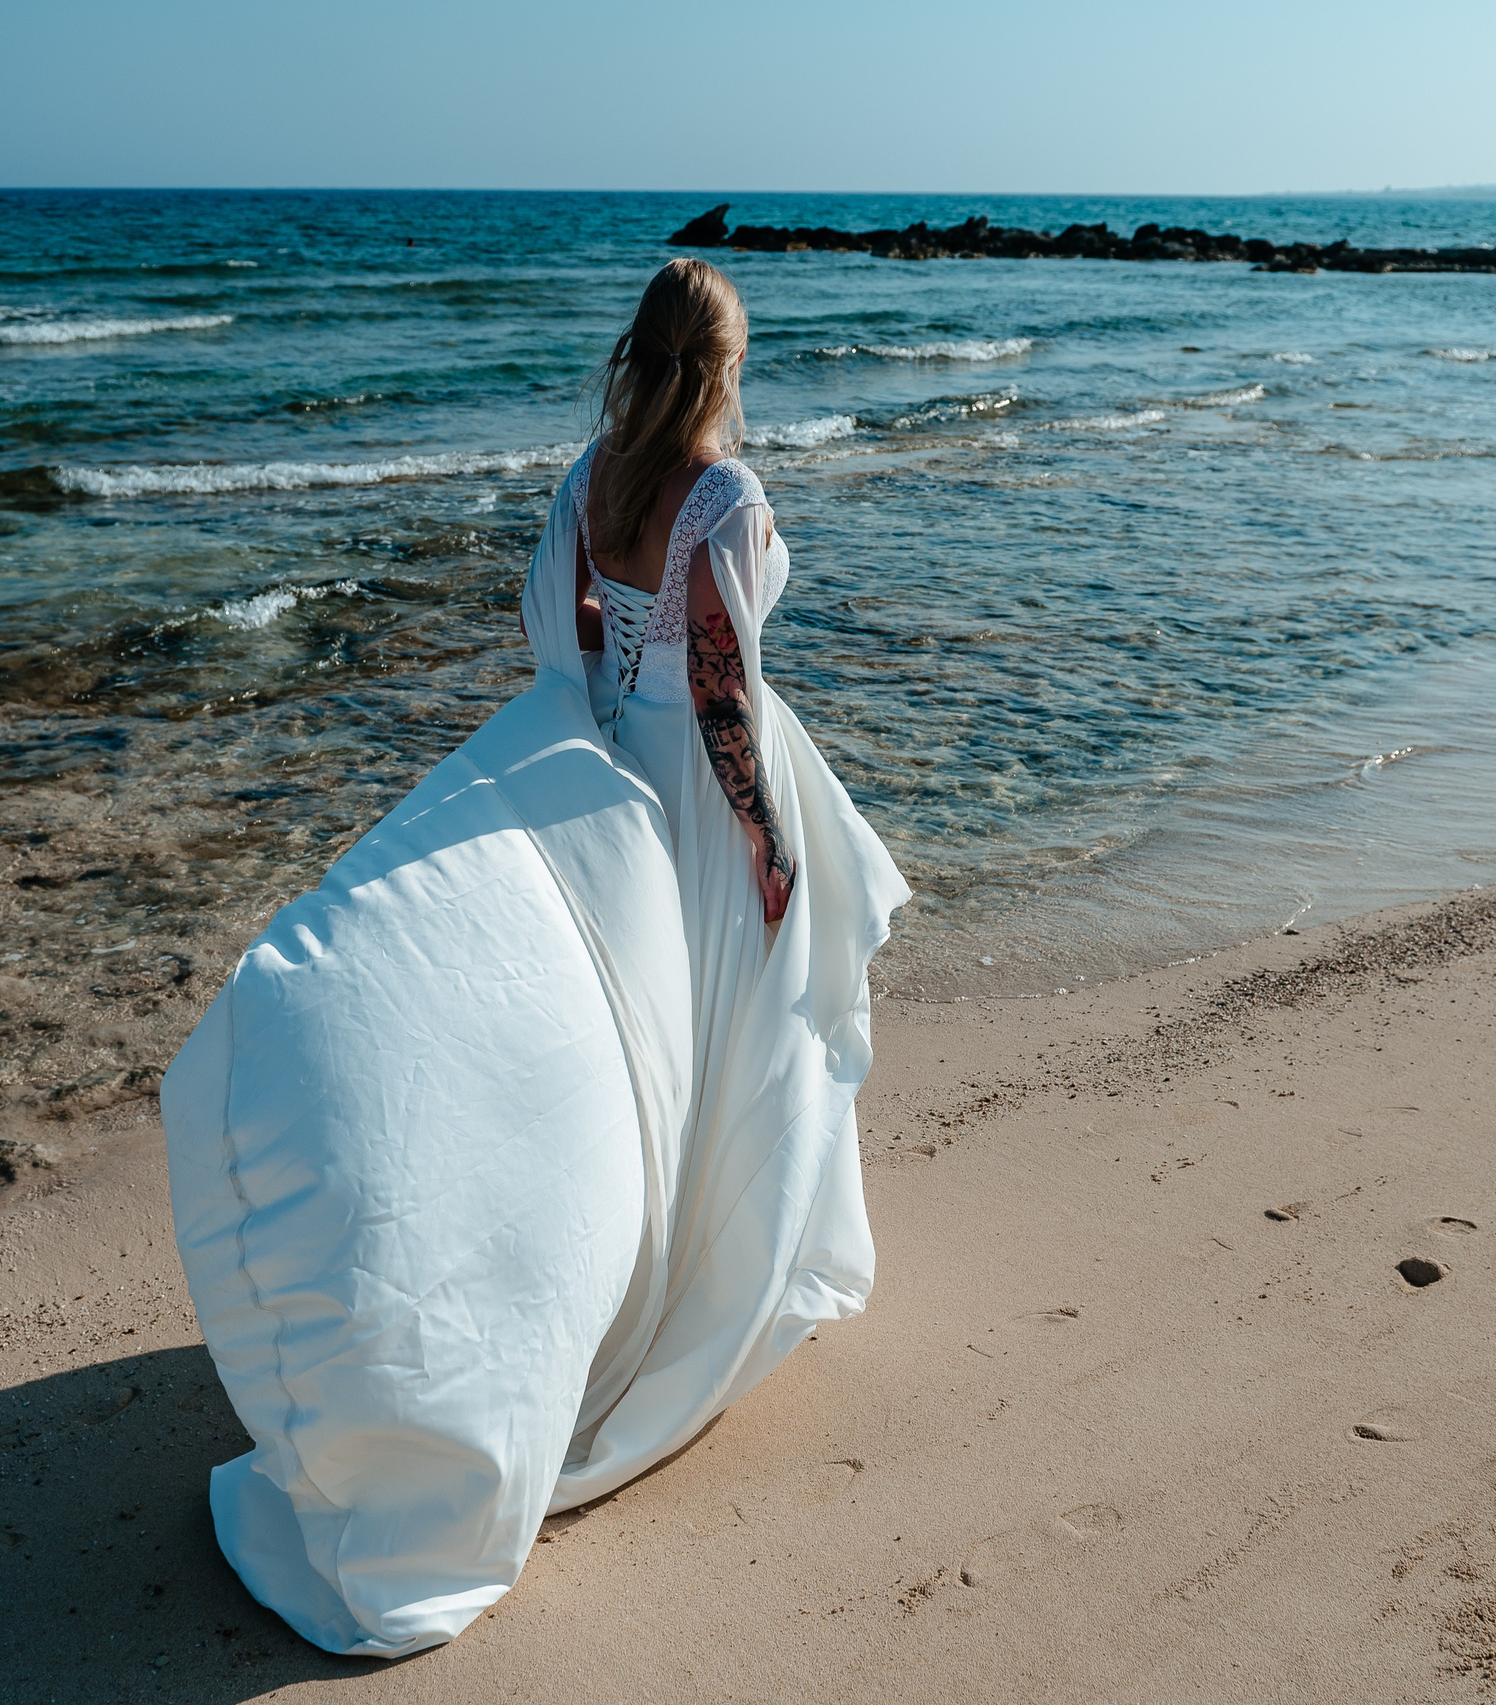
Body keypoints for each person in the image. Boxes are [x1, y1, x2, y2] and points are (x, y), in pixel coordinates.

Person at [159, 257, 907, 1657]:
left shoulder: (594, 478)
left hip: (604, 772)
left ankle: (643, 1267)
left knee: (650, 1057)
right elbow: (724, 692)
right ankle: (708, 1283)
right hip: (694, 790)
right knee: (736, 1033)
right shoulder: (725, 498)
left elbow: (572, 643)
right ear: (727, 367)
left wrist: (597, 744)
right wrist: (764, 845)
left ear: (640, 355)